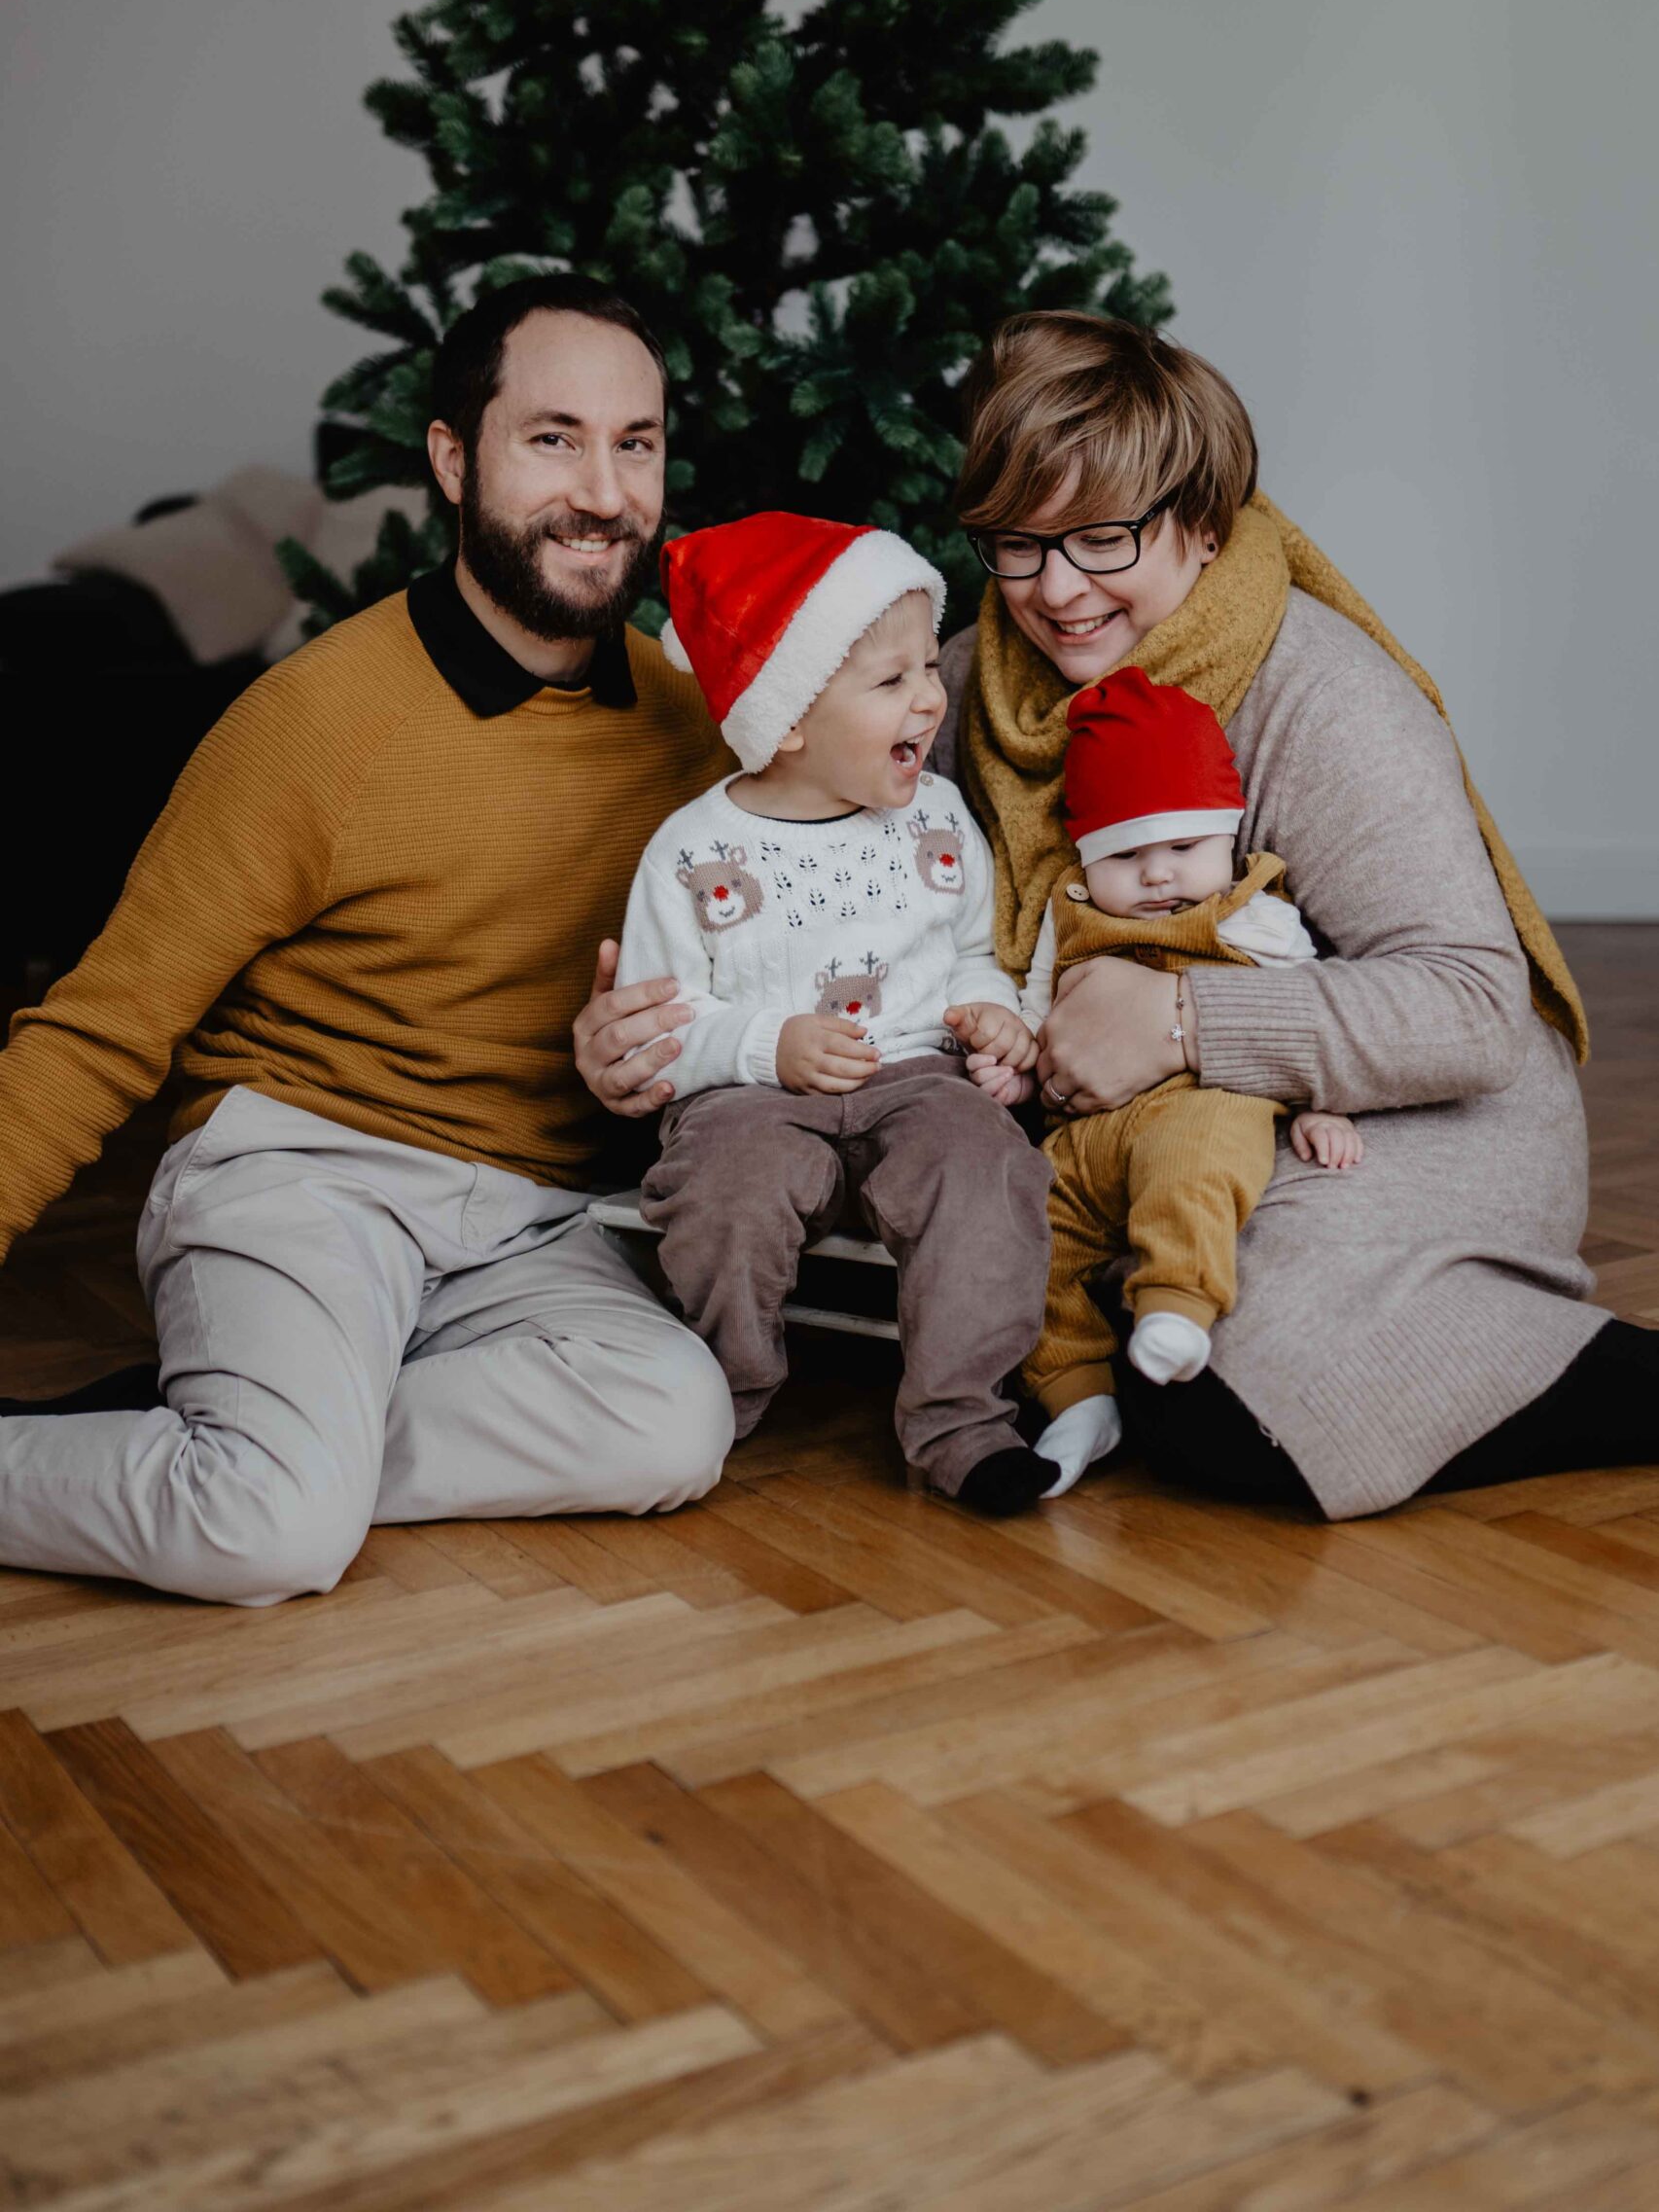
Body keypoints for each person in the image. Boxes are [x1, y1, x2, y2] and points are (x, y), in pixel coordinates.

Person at [0, 274, 738, 1606]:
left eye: (637, 443)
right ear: (455, 461)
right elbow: (101, 1029)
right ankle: (272, 1464)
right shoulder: (313, 722)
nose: (606, 490)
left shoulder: (693, 734)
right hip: (300, 1173)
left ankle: (275, 1440)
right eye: (553, 438)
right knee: (268, 1539)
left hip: (529, 1222)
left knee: (676, 1423)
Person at [935, 309, 1649, 1516]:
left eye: (1101, 539)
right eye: (1018, 543)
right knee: (1094, 1315)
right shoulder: (962, 686)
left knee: (1217, 1385)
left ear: (1200, 527)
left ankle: (1616, 1378)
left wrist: (1175, 1018)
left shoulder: (1316, 692)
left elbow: (1471, 1009)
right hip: (1147, 1138)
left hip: (1408, 1118)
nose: (1055, 591)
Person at [614, 511, 1057, 1515]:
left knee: (985, 1166)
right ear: (790, 718)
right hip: (747, 1096)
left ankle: (961, 1422)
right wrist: (768, 1044)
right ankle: (723, 1390)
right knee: (724, 1188)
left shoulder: (935, 818)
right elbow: (658, 1023)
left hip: (915, 1077)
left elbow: (972, 954)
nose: (929, 697)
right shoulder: (689, 852)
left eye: (925, 670)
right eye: (891, 680)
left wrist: (987, 1017)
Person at [979, 666, 1359, 1489]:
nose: (1157, 876)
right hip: (1082, 1138)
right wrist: (1011, 1063)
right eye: (1126, 854)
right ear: (1088, 857)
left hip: (1203, 1099)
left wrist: (1318, 1107)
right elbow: (1038, 1012)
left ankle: (1177, 1304)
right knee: (1017, 1234)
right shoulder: (1071, 912)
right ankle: (1076, 1394)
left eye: (1183, 847)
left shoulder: (1254, 916)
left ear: (1226, 838)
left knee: (1196, 1168)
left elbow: (1304, 1014)